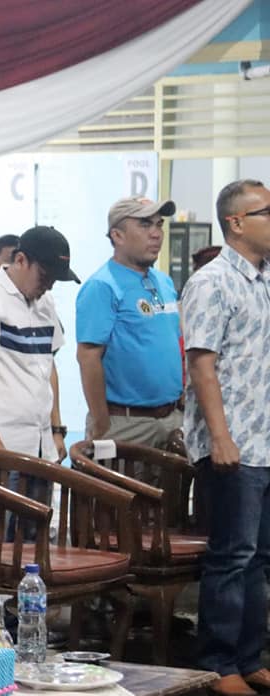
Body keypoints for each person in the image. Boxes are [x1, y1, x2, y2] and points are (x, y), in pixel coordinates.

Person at [183, 179, 270, 696]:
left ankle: (249, 656)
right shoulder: (212, 282)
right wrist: (219, 437)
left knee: (260, 558)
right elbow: (202, 363)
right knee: (232, 557)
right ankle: (218, 664)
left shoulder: (264, 280)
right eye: (267, 211)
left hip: (266, 442)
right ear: (236, 223)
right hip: (232, 443)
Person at [0, 226, 78, 480]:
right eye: (44, 276)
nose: (48, 286)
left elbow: (49, 367)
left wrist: (56, 429)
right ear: (20, 260)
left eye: (54, 280)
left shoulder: (45, 302)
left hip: (43, 443)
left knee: (39, 506)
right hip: (5, 442)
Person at [76, 197, 182, 446]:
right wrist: (102, 422)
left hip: (172, 418)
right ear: (118, 236)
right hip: (126, 423)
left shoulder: (164, 282)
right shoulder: (102, 285)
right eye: (145, 225)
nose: (156, 234)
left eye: (159, 224)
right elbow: (88, 357)